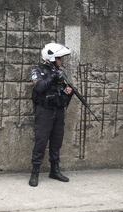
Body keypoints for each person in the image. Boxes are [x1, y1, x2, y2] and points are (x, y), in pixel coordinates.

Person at [28, 42, 74, 187]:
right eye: (59, 58)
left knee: (57, 141)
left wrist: (68, 92)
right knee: (41, 141)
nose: (61, 61)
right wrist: (53, 76)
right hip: (44, 111)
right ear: (52, 58)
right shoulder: (37, 70)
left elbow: (67, 91)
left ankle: (55, 170)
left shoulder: (61, 72)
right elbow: (40, 87)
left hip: (58, 110)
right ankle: (35, 172)